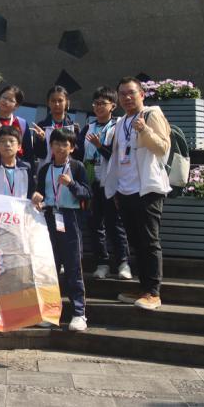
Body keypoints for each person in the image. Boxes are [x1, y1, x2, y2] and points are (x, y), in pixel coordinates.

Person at [109, 77, 172, 311]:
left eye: (131, 93)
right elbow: (119, 157)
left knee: (149, 241)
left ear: (142, 94)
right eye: (122, 94)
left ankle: (153, 292)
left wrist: (144, 130)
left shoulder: (151, 114)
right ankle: (143, 288)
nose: (127, 98)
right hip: (125, 190)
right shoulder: (120, 122)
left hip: (147, 189)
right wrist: (115, 189)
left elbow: (163, 148)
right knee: (136, 242)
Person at [32, 128, 90, 332]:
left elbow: (86, 194)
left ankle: (79, 313)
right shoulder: (44, 169)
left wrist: (72, 184)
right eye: (56, 143)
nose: (60, 147)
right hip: (49, 217)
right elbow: (40, 192)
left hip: (70, 217)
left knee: (73, 267)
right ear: (51, 146)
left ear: (72, 148)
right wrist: (37, 197)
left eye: (65, 144)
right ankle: (50, 313)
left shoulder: (77, 166)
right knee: (50, 267)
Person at [81, 86, 131, 280]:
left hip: (111, 182)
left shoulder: (118, 126)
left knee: (114, 224)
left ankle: (123, 263)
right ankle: (102, 263)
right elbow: (78, 152)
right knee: (95, 224)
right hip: (91, 181)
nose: (98, 107)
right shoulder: (88, 127)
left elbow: (118, 155)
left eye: (103, 103)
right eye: (96, 103)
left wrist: (99, 146)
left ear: (113, 106)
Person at [29, 85, 81, 171]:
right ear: (48, 103)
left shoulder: (74, 127)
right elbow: (39, 154)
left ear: (67, 102)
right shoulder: (41, 126)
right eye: (53, 101)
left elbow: (78, 155)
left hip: (67, 172)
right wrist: (42, 140)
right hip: (45, 172)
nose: (56, 104)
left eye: (60, 100)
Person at [0, 126, 33, 199]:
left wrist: (35, 196)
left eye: (11, 141)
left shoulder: (26, 169)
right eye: (3, 141)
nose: (7, 144)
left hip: (20, 206)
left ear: (19, 146)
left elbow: (31, 194)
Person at [0, 85, 35, 160]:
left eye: (11, 100)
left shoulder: (22, 124)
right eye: (4, 97)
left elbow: (28, 152)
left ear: (16, 106)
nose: (6, 102)